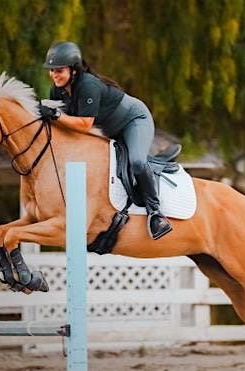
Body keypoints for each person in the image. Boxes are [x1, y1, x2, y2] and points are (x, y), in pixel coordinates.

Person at [39, 41, 172, 240]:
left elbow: (84, 125)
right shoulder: (57, 91)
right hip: (110, 130)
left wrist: (55, 115)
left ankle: (156, 213)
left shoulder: (87, 85)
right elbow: (66, 129)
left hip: (134, 121)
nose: (54, 75)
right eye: (51, 71)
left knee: (136, 161)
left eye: (59, 70)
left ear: (73, 70)